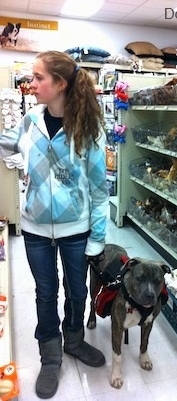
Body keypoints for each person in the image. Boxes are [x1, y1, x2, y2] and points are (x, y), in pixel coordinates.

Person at [0, 50, 109, 399]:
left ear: (60, 84)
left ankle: (74, 340)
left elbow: (99, 191)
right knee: (45, 293)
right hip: (34, 230)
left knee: (77, 292)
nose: (31, 84)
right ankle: (50, 355)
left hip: (76, 231)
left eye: (38, 78)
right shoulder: (30, 120)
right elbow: (8, 144)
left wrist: (98, 239)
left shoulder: (88, 131)